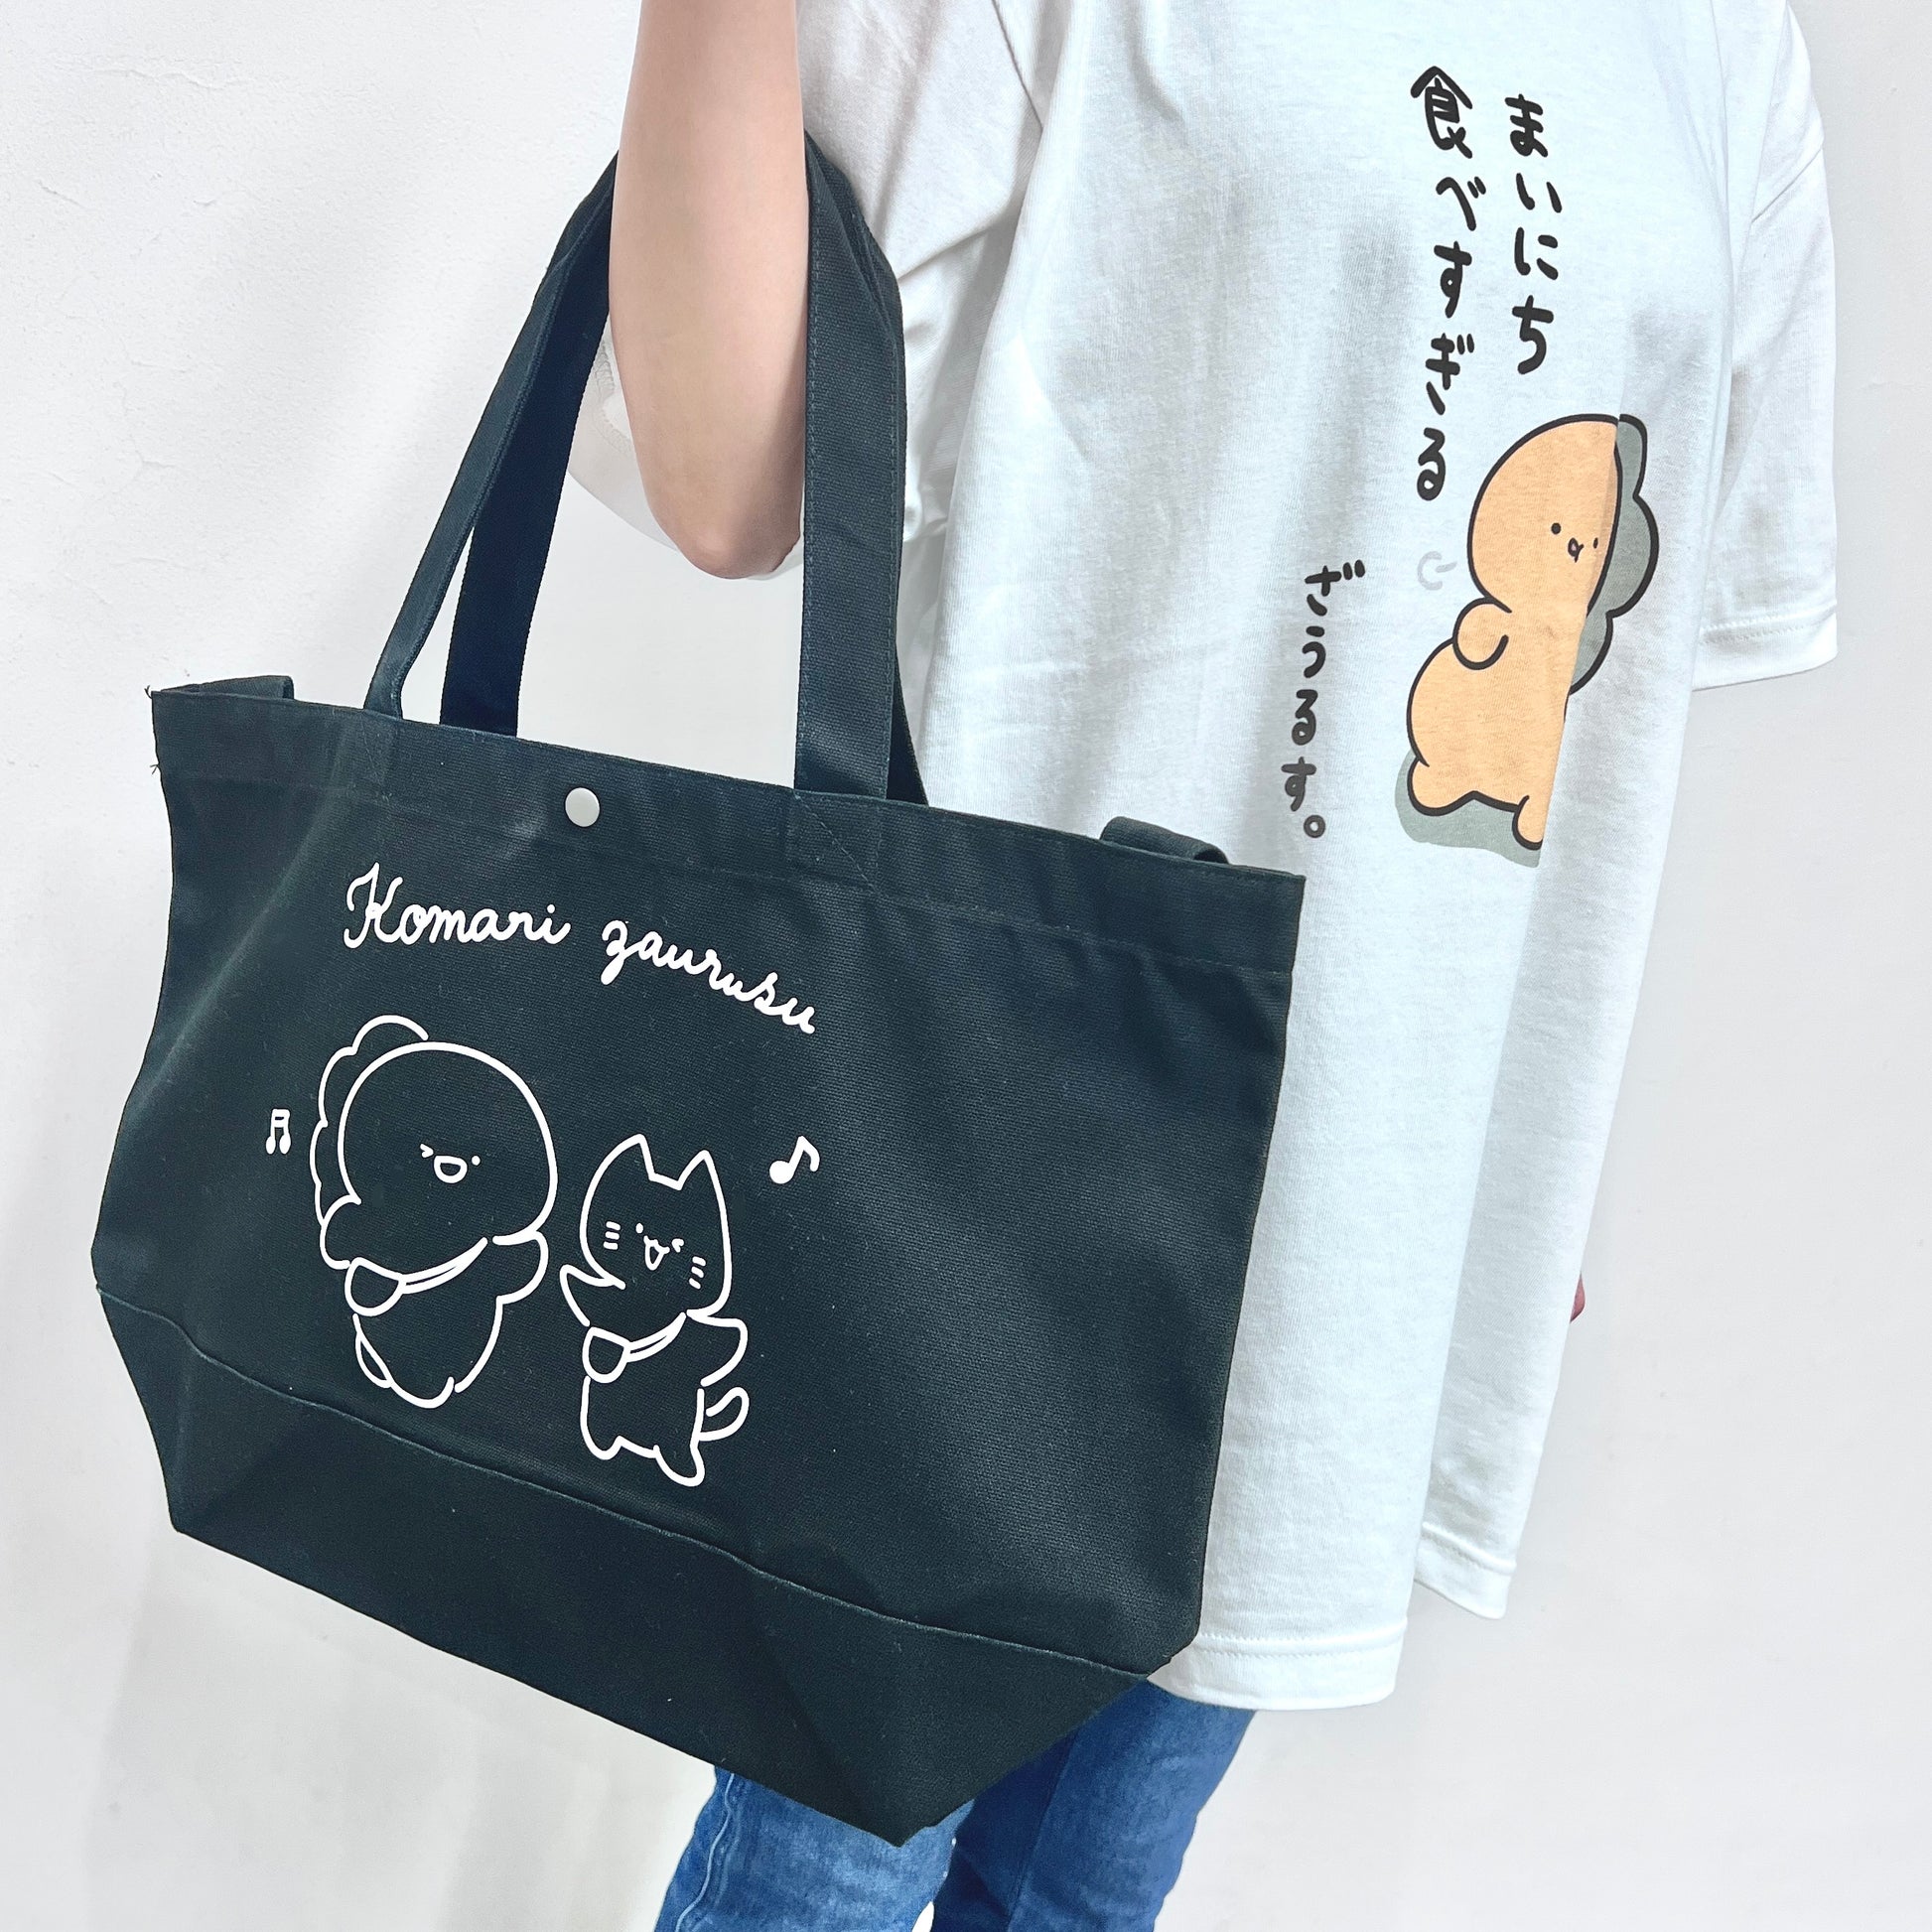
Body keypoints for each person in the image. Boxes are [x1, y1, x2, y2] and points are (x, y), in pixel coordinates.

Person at [571, 2, 1839, 1924]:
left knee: (1084, 1885)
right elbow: (731, 477)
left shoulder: (1727, 44)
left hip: (1361, 1196)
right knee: (831, 1863)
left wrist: (1515, 1144)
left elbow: (1630, 655)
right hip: (999, 1147)